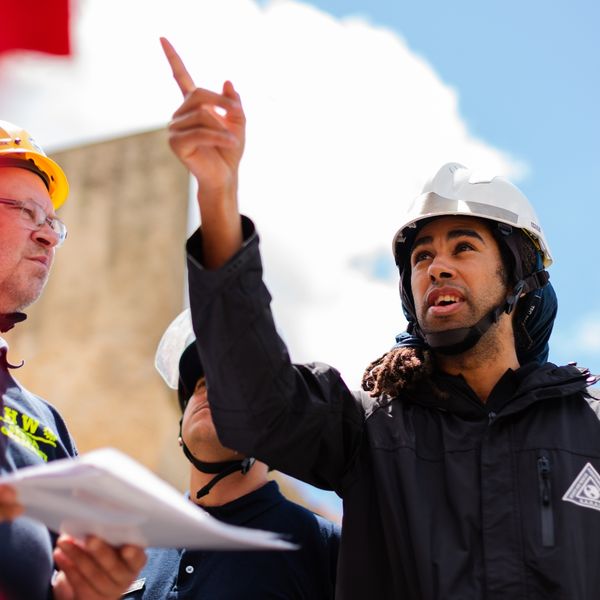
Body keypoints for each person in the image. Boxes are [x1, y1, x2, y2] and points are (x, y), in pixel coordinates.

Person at [160, 38, 600, 599]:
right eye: (421, 257)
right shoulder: (370, 428)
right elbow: (253, 399)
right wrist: (217, 196)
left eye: (463, 247)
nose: (437, 266)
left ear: (520, 278)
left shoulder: (590, 426)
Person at [0, 120, 146, 600]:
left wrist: (83, 592)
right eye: (26, 212)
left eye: (52, 222)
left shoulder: (43, 420)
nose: (48, 237)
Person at [124, 309, 340, 599]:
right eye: (200, 384)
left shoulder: (323, 547)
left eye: (231, 383)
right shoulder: (134, 548)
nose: (209, 390)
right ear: (181, 431)